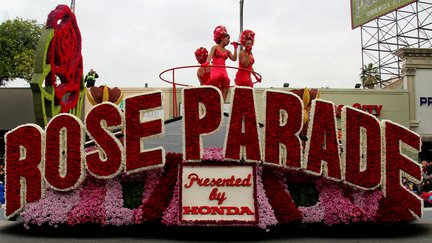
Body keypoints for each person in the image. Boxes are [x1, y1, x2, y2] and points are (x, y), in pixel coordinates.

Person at [203, 25, 238, 101]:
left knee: (226, 87)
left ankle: (222, 103)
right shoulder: (215, 47)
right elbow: (210, 56)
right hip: (215, 69)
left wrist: (235, 48)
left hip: (223, 70)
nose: (229, 41)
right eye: (227, 38)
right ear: (222, 38)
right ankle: (214, 101)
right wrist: (207, 62)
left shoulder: (228, 51)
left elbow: (234, 59)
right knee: (214, 86)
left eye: (229, 39)